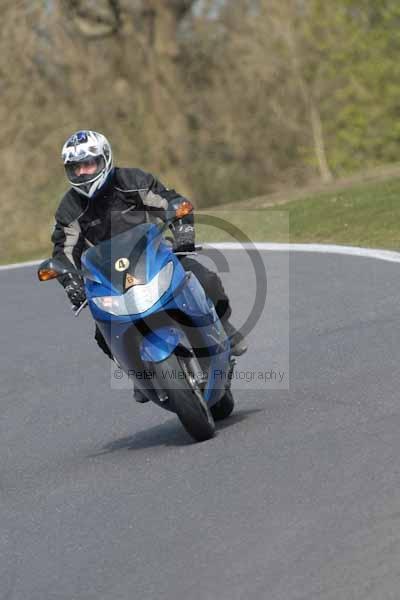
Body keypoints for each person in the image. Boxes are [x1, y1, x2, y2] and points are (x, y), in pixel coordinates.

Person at [51, 130, 247, 399]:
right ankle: (139, 374)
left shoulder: (131, 180)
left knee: (205, 278)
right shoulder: (69, 208)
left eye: (89, 164)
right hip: (110, 279)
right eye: (76, 167)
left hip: (156, 257)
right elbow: (63, 251)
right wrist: (70, 281)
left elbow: (170, 201)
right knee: (101, 333)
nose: (83, 172)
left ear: (105, 159)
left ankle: (224, 328)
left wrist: (182, 228)